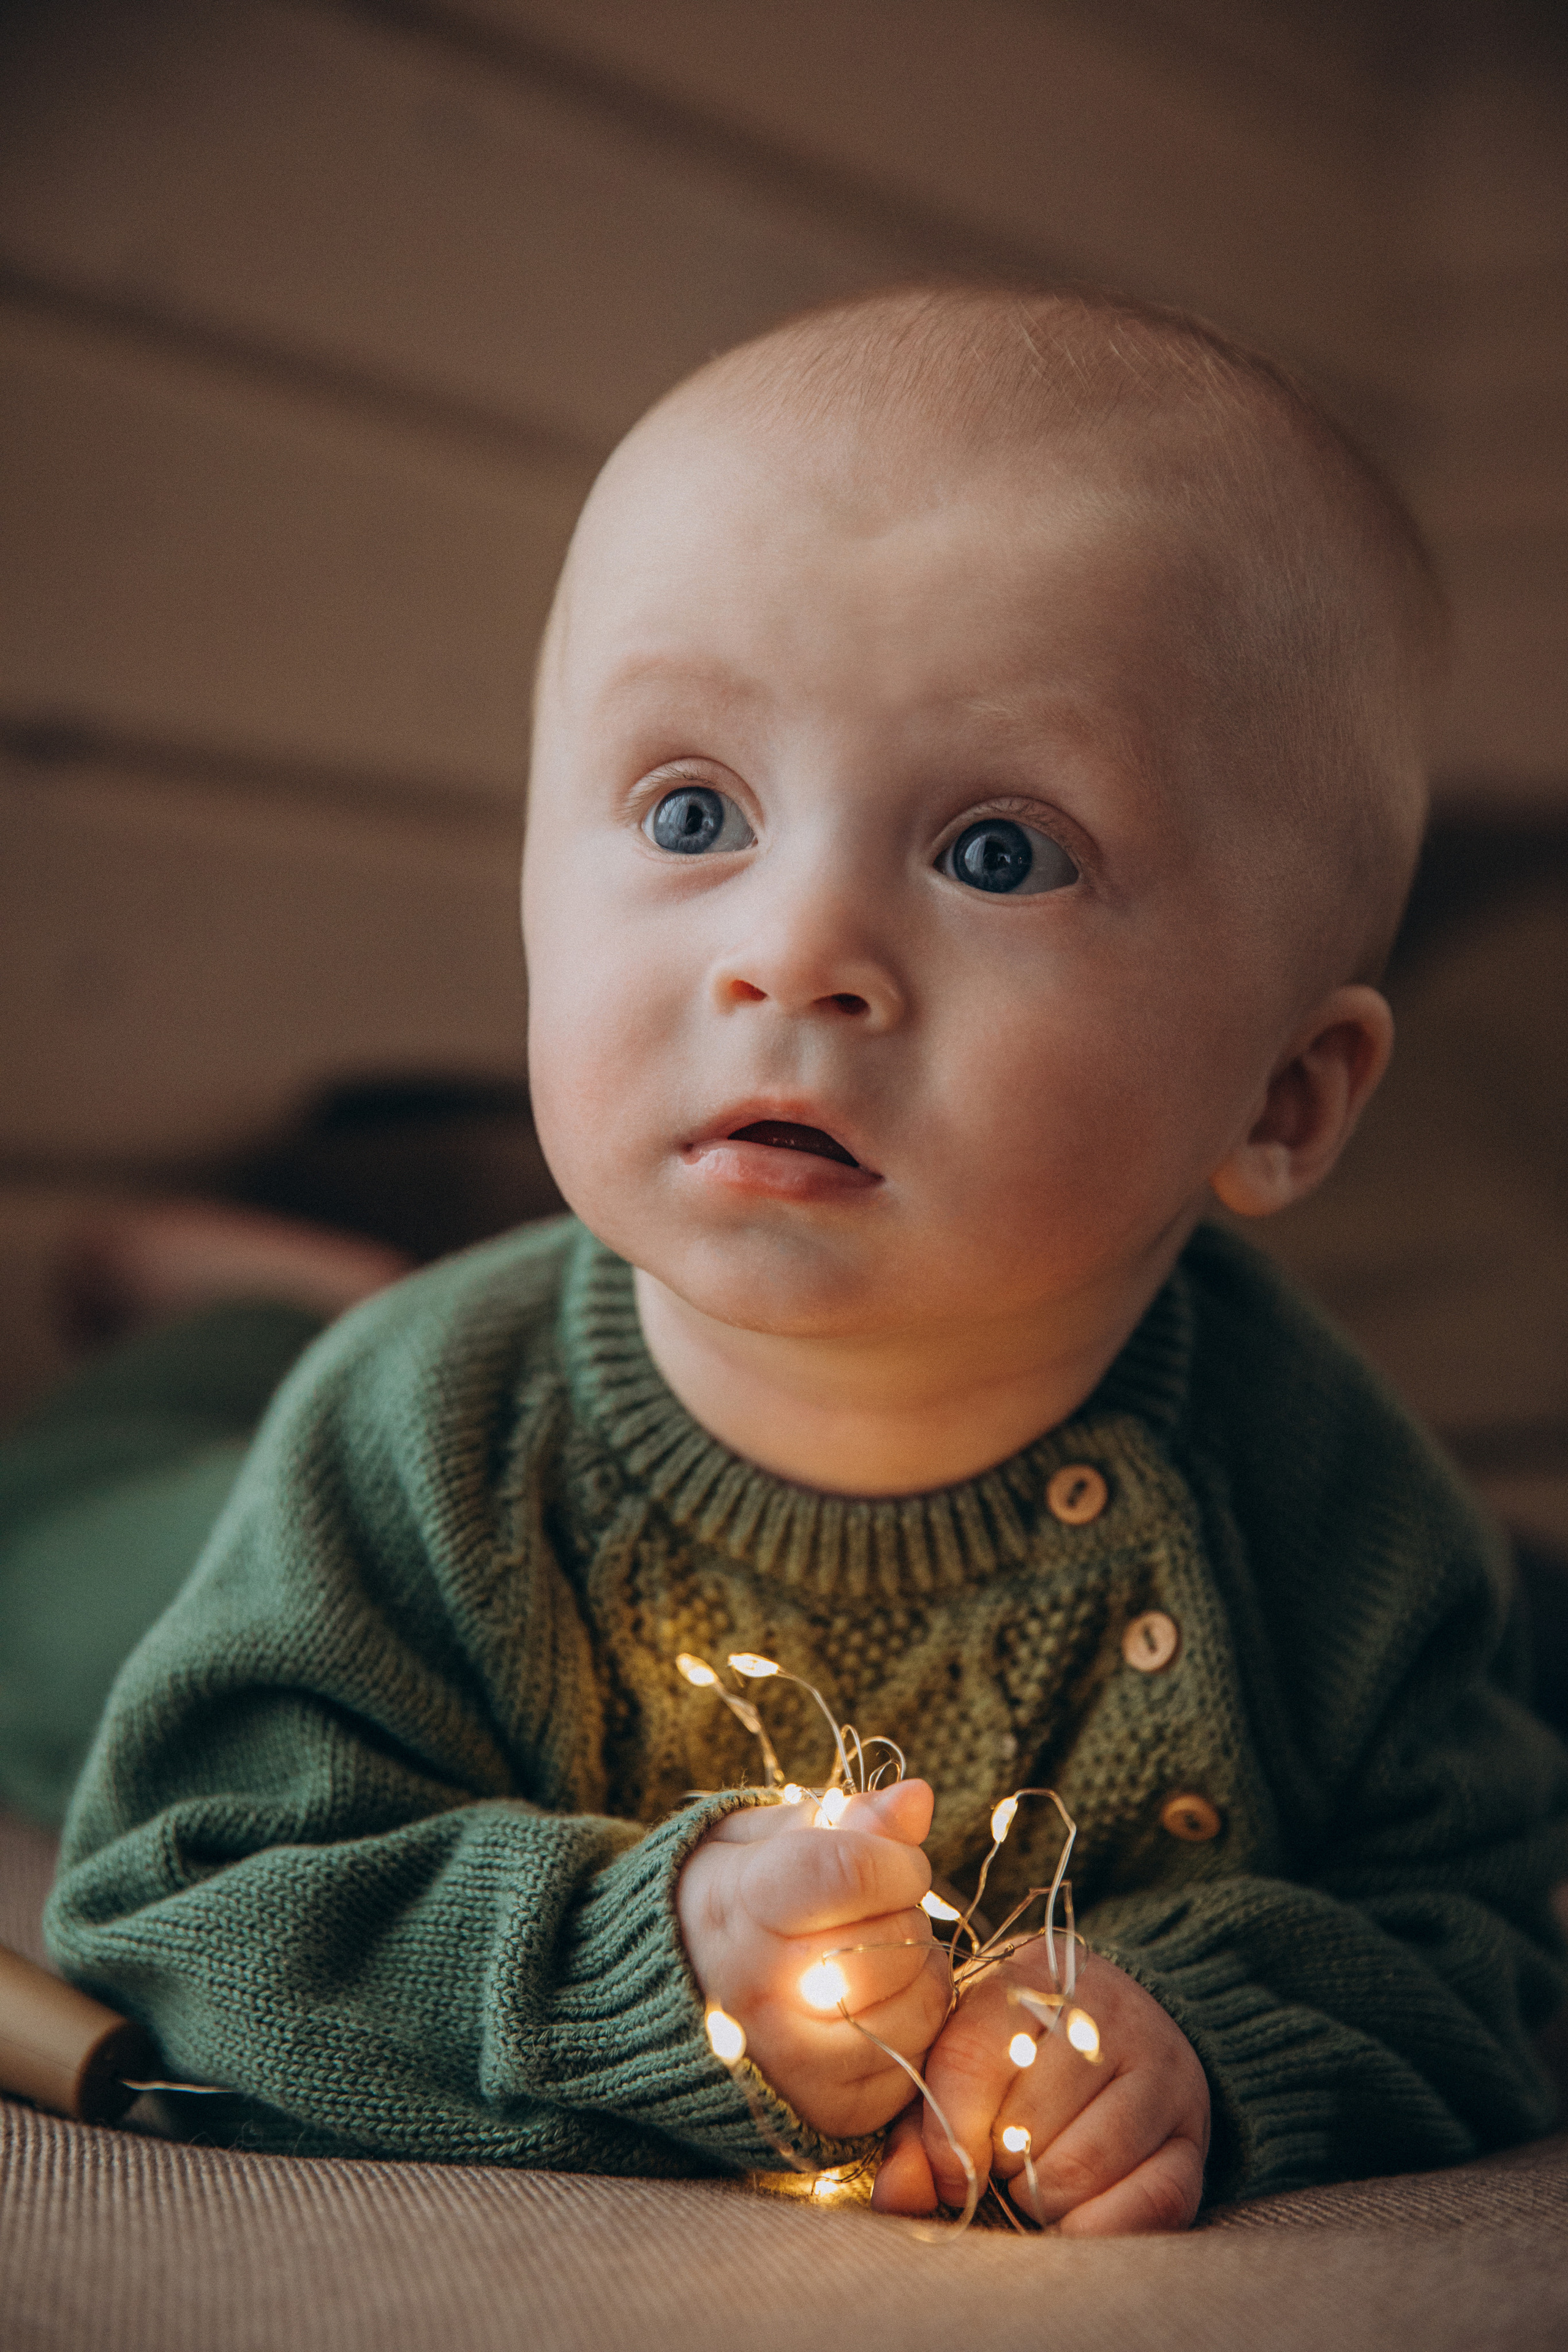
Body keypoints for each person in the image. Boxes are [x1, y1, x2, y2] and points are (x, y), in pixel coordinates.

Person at [36, 285, 1568, 2233]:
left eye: (999, 852)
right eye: (696, 810)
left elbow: (1486, 1941)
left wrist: (1202, 2032)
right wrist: (642, 1954)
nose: (792, 949)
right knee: (61, 1538)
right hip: (168, 1540)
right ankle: (239, 1314)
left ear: (1281, 1096)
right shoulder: (424, 1440)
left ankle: (290, 1281)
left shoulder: (1334, 1501)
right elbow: (182, 1896)